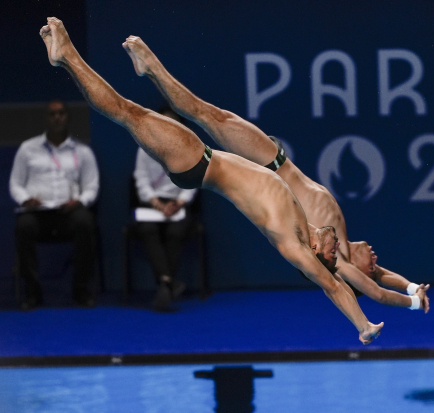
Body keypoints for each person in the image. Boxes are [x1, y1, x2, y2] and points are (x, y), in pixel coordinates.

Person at [39, 17, 391, 344]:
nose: (337, 250)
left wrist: (362, 325)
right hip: (202, 157)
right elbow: (352, 275)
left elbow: (333, 285)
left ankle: (67, 57)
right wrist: (408, 289)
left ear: (316, 254)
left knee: (127, 112)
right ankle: (147, 66)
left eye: (331, 255)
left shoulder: (293, 244)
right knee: (175, 111)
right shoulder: (307, 221)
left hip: (197, 164)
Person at [122, 35, 430, 313]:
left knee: (206, 114)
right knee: (208, 114)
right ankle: (150, 70)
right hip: (275, 159)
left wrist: (412, 303)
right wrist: (412, 286)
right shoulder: (344, 247)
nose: (376, 260)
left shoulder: (341, 264)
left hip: (269, 165)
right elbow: (382, 277)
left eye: (371, 266)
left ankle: (151, 67)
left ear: (357, 275)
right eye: (376, 264)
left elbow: (377, 292)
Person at [9, 99, 100, 309]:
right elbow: (15, 184)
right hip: (38, 214)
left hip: (69, 213)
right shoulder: (28, 149)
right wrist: (25, 199)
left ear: (67, 117)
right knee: (24, 226)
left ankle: (81, 290)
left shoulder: (82, 151)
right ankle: (32, 292)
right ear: (46, 118)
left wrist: (79, 201)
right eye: (52, 114)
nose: (57, 117)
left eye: (61, 113)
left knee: (86, 223)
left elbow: (92, 186)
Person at [133, 107, 199, 310]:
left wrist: (179, 203)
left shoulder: (189, 148)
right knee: (146, 229)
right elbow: (141, 180)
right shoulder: (144, 147)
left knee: (175, 232)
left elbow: (194, 180)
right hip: (154, 204)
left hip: (178, 203)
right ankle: (168, 283)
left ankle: (164, 283)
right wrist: (159, 205)